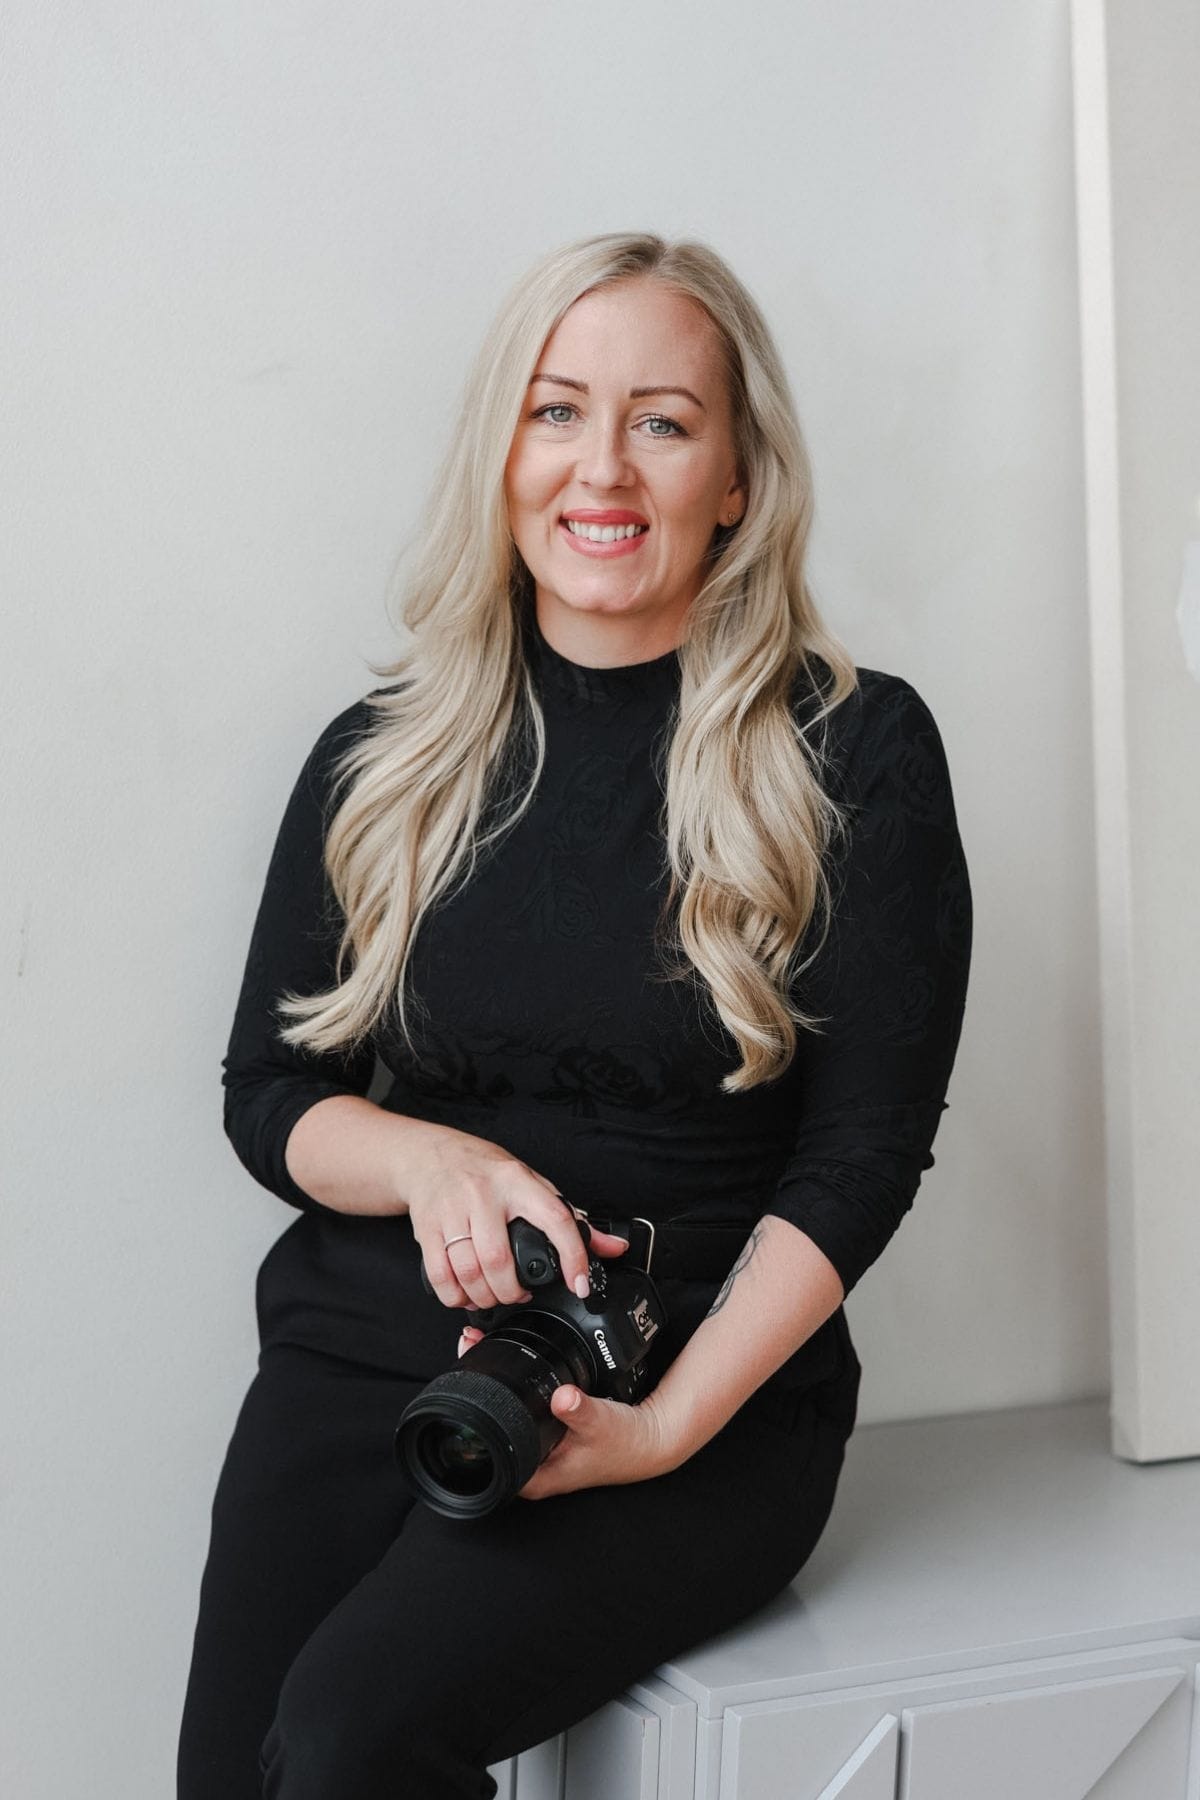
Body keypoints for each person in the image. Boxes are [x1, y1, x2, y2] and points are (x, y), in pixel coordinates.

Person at [176, 231, 972, 1800]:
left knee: (345, 1741)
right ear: (504, 451)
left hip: (692, 1385)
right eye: (557, 412)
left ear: (737, 477)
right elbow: (269, 1092)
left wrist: (665, 1430)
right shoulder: (382, 757)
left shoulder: (855, 752)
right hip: (364, 1350)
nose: (602, 467)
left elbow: (862, 1158)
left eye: (662, 421)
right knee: (232, 1780)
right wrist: (432, 1163)